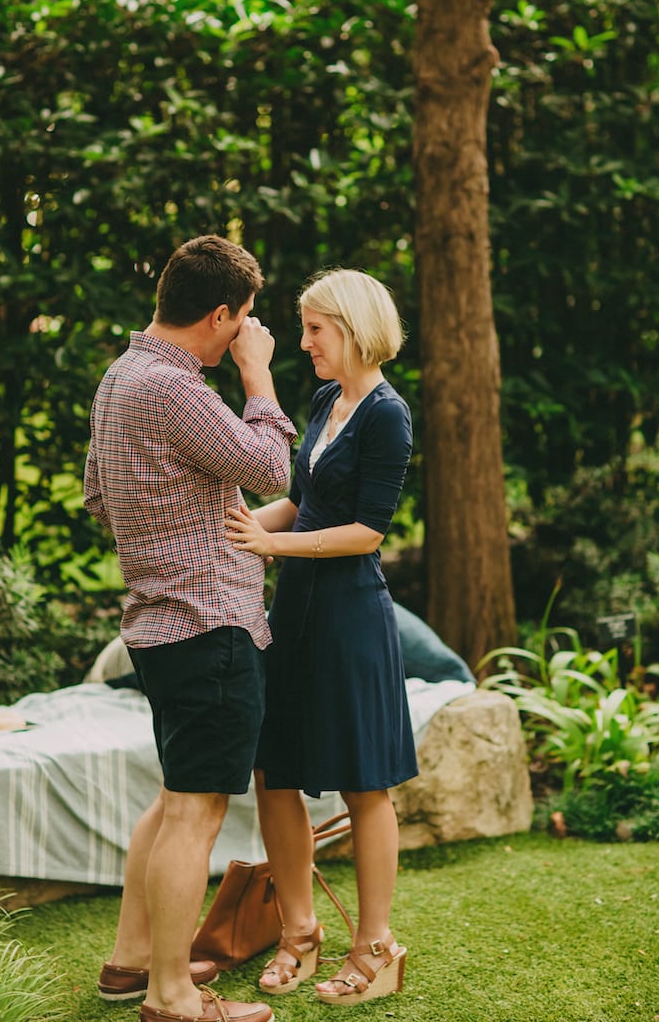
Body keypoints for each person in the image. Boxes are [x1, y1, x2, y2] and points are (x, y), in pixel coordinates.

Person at [83, 234, 296, 1022]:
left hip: (157, 622)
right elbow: (270, 468)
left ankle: (132, 962)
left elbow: (99, 498)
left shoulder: (118, 379)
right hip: (208, 624)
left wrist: (175, 532)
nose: (246, 331)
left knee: (173, 802)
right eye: (243, 321)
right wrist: (259, 375)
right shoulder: (177, 389)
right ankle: (173, 996)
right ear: (220, 314)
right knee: (197, 812)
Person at [225, 268, 417, 1007]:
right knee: (274, 771)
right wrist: (241, 527)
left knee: (365, 783)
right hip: (295, 613)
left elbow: (367, 531)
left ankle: (375, 947)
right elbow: (301, 504)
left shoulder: (386, 414)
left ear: (356, 327)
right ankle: (298, 933)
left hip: (351, 619)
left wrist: (273, 548)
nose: (303, 343)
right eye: (304, 329)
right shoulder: (321, 401)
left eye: (315, 329)